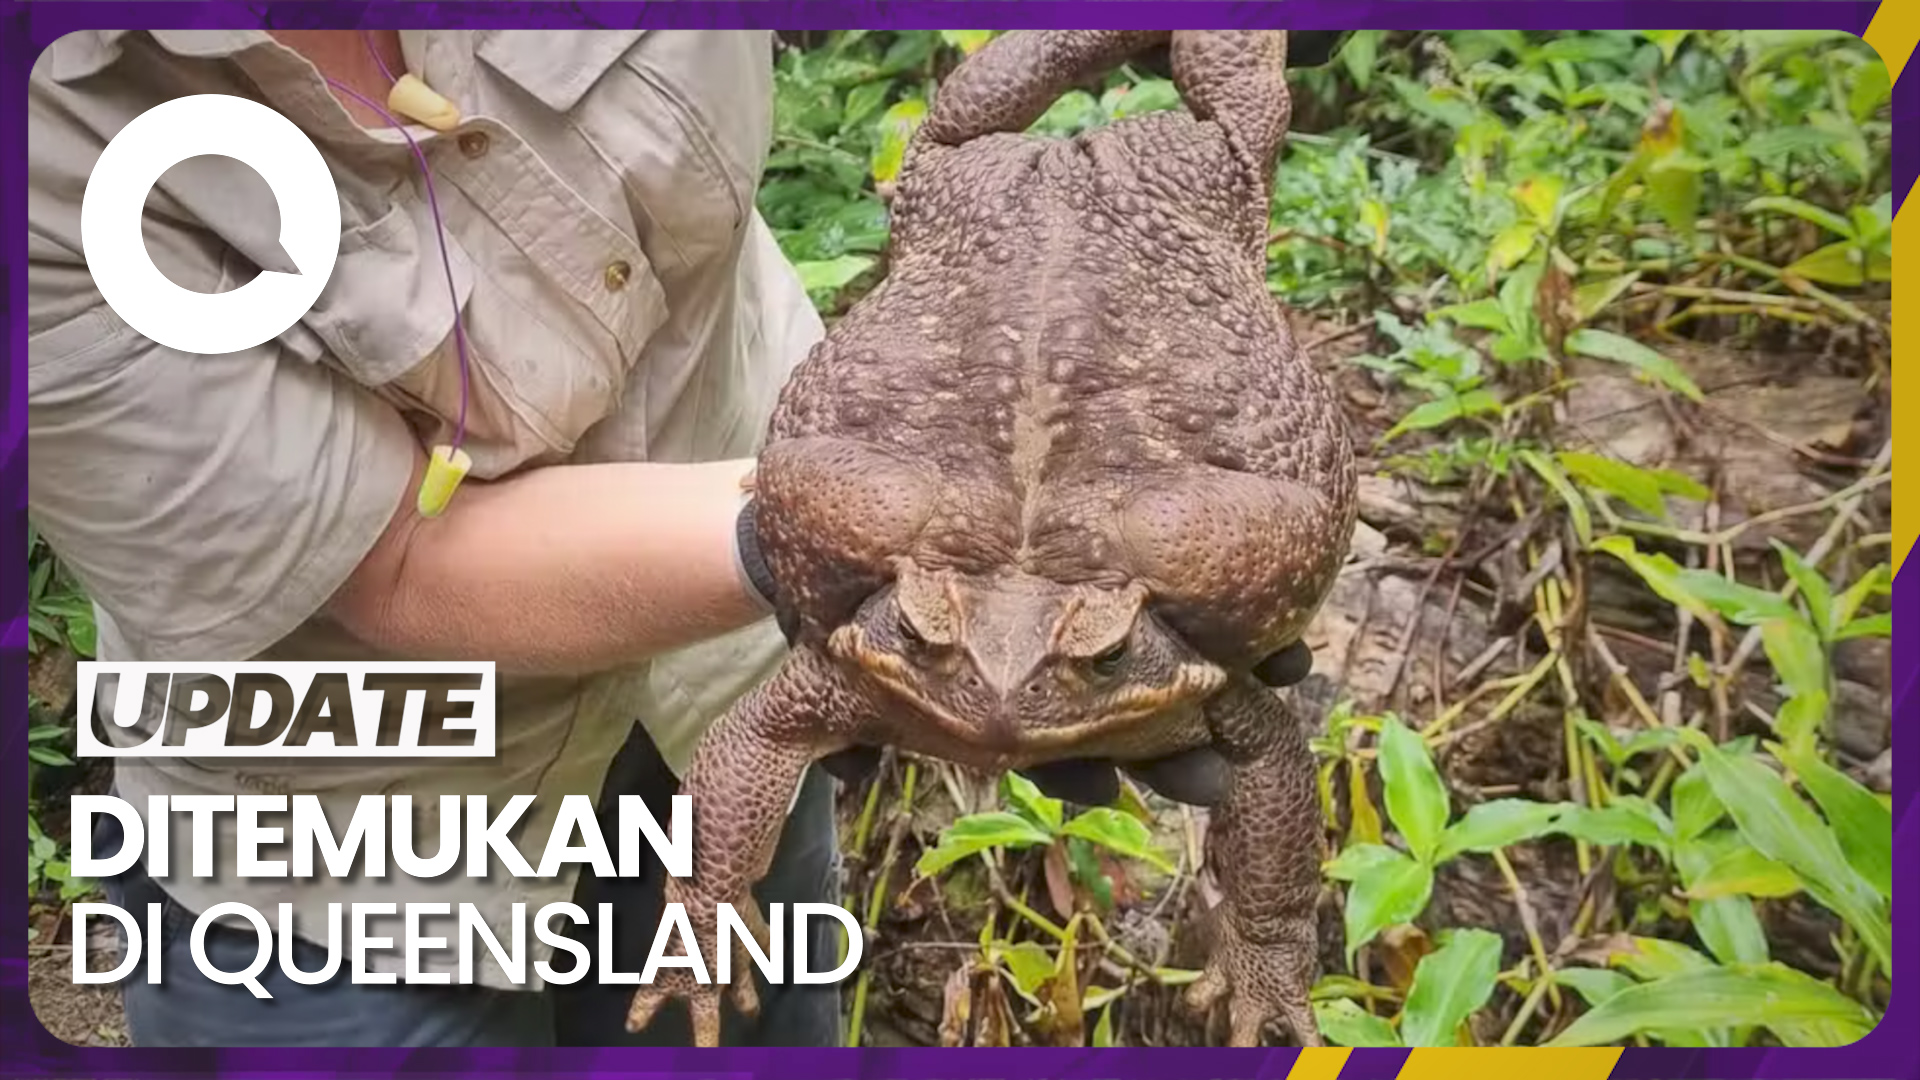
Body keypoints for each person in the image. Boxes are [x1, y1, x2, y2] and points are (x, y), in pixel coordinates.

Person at [26, 29, 1316, 1049]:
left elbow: (1262, 737)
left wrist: (1267, 923)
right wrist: (841, 566)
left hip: (737, 656)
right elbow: (391, 562)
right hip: (350, 811)